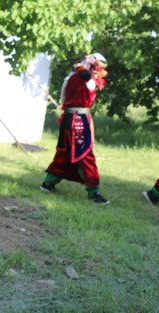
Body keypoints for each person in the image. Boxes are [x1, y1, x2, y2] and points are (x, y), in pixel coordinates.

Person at [40, 53, 110, 204]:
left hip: (70, 118)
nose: (98, 72)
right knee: (85, 155)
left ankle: (48, 183)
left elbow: (64, 98)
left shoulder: (73, 76)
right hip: (77, 120)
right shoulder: (84, 78)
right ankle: (94, 192)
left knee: (64, 153)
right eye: (96, 68)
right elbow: (87, 88)